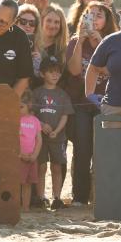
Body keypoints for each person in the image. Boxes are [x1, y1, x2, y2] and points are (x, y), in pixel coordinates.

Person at [63, 1, 118, 205]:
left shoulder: (112, 42)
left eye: (99, 15)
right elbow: (75, 71)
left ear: (107, 20)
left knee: (105, 152)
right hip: (81, 104)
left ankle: (103, 195)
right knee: (82, 150)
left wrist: (99, 45)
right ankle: (80, 197)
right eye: (89, 14)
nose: (93, 18)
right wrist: (80, 42)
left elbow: (112, 71)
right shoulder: (75, 41)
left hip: (105, 104)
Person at [33, 56, 74, 210]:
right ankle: (40, 197)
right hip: (39, 137)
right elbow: (31, 114)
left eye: (57, 72)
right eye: (51, 72)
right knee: (41, 166)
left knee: (57, 167)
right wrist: (41, 125)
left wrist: (57, 131)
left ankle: (56, 197)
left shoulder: (62, 94)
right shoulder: (36, 93)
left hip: (58, 137)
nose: (55, 75)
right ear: (42, 74)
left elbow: (65, 115)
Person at [19, 89, 42, 212]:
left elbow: (39, 139)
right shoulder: (15, 120)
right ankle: (15, 206)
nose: (18, 110)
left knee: (28, 183)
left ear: (29, 106)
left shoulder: (35, 121)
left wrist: (34, 155)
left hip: (31, 157)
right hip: (18, 157)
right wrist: (19, 154)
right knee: (17, 182)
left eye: (21, 107)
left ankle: (26, 207)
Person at [16, 4, 43, 77]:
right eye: (23, 21)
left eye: (32, 23)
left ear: (36, 27)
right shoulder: (6, 43)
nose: (27, 25)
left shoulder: (40, 50)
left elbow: (38, 78)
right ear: (16, 22)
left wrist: (37, 62)